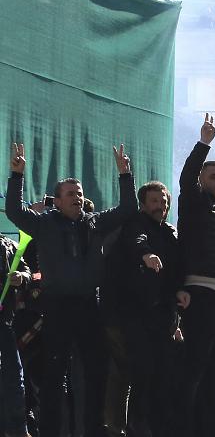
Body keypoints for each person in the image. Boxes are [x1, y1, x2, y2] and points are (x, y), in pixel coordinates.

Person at [6, 142, 137, 437]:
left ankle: (93, 429)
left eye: (79, 193)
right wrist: (17, 175)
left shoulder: (95, 222)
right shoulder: (44, 224)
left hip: (89, 305)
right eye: (70, 194)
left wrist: (125, 174)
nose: (77, 197)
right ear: (59, 201)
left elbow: (128, 208)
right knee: (55, 377)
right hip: (57, 306)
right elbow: (14, 210)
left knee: (96, 371)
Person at [174, 114, 215, 436]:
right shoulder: (194, 200)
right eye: (214, 176)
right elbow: (186, 177)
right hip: (199, 299)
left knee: (214, 375)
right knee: (193, 371)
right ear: (202, 179)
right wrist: (204, 143)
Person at [115, 181, 182, 437]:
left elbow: (176, 271)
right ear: (144, 203)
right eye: (155, 201)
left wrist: (180, 292)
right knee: (142, 373)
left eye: (163, 202)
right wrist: (146, 254)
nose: (160, 206)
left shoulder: (170, 232)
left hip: (165, 315)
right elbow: (137, 240)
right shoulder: (137, 224)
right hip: (138, 314)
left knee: (163, 373)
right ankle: (136, 427)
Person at [0, 234, 32, 437]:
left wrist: (22, 278)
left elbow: (28, 271)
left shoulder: (9, 245)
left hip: (5, 323)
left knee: (14, 377)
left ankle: (19, 429)